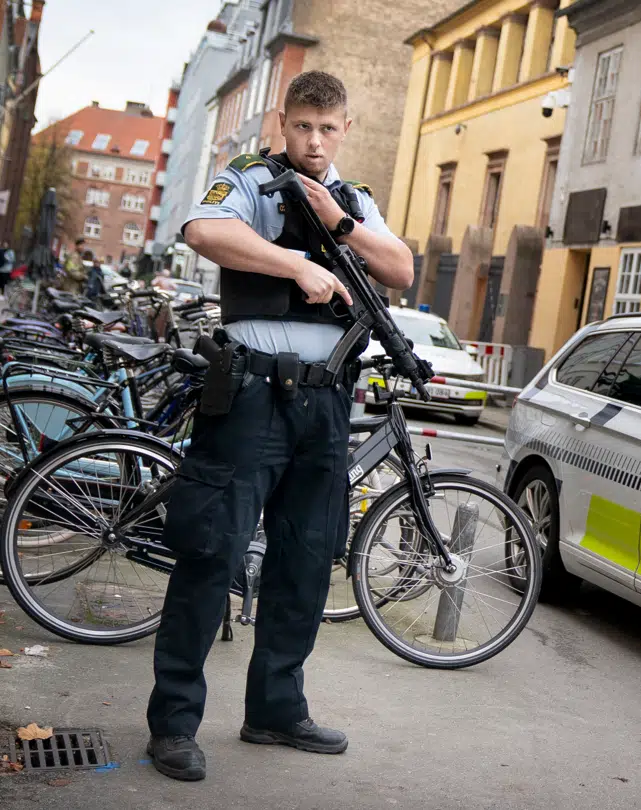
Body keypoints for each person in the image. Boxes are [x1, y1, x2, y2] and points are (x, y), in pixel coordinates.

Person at [144, 70, 414, 782]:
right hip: (253, 395)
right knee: (211, 551)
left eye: (328, 128)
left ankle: (275, 710)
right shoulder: (250, 181)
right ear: (281, 123)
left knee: (304, 559)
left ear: (345, 129)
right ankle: (173, 723)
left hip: (325, 404)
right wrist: (294, 263)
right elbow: (203, 230)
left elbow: (402, 268)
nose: (315, 140)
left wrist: (340, 229)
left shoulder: (353, 199)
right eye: (302, 127)